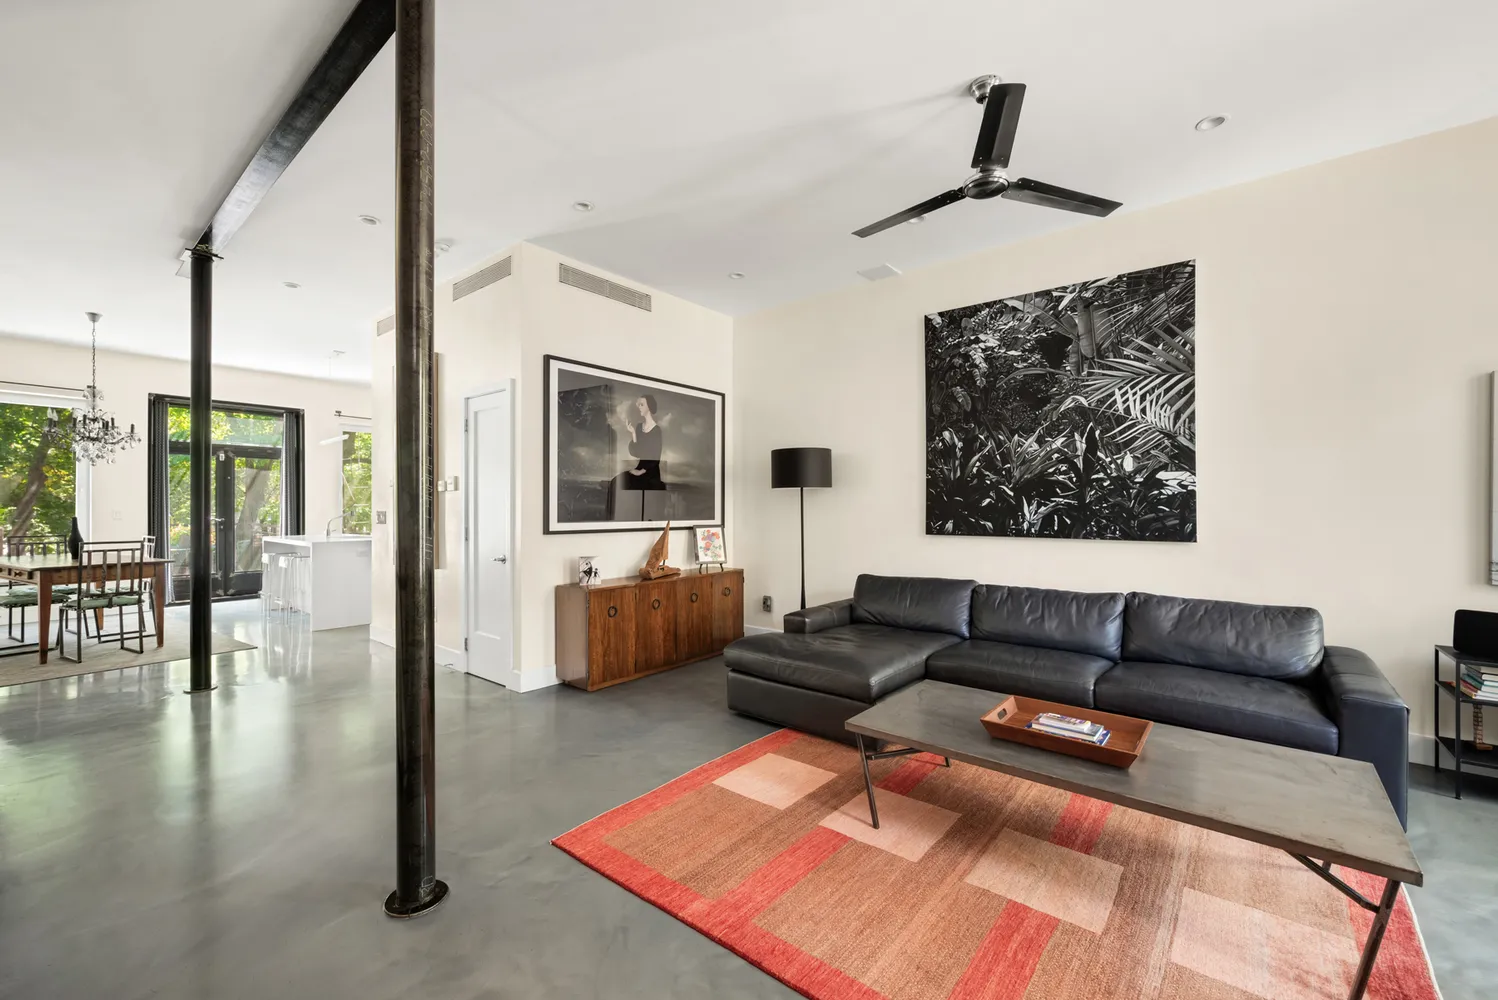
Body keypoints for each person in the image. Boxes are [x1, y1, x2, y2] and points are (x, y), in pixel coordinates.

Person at [620, 395, 663, 490]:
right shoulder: (639, 427)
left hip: (651, 472)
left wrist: (641, 472)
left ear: (649, 407)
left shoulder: (656, 430)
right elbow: (636, 453)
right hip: (640, 467)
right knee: (619, 481)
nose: (639, 407)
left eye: (642, 404)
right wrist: (633, 433)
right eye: (639, 404)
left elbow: (656, 458)